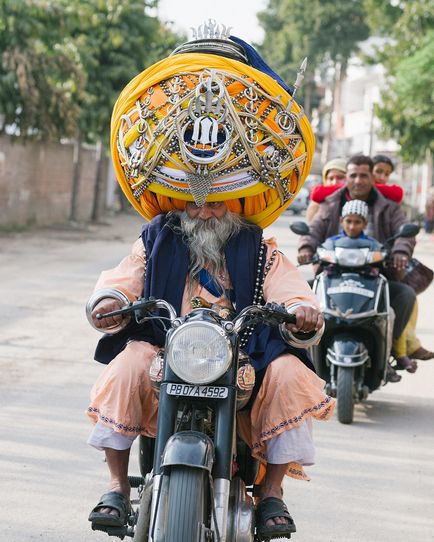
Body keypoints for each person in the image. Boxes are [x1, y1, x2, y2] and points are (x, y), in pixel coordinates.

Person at [85, 26, 335, 541]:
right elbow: (125, 276)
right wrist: (110, 301)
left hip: (242, 356)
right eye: (194, 200)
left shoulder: (255, 244)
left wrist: (302, 310)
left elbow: (289, 286)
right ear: (179, 200)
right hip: (167, 352)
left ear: (234, 202)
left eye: (216, 200)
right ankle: (115, 486)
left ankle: (271, 497)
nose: (203, 208)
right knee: (128, 360)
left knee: (288, 372)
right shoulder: (158, 236)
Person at [297, 154, 417, 365]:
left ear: (372, 177)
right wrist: (306, 247)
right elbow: (314, 230)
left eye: (364, 175)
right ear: (347, 177)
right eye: (353, 175)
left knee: (405, 295)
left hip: (376, 273)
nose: (358, 180)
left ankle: (391, 348)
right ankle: (300, 352)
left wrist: (400, 252)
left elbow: (404, 233)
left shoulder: (389, 207)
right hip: (333, 272)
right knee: (297, 298)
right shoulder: (331, 203)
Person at [326, 199, 417, 377]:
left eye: (357, 222)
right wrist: (309, 252)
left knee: (389, 314)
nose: (352, 226)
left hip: (367, 291)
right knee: (303, 299)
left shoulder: (374, 245)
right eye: (348, 221)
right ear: (341, 221)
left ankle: (387, 358)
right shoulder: (330, 244)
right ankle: (301, 353)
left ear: (365, 224)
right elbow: (314, 245)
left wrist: (392, 256)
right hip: (334, 289)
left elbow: (386, 256)